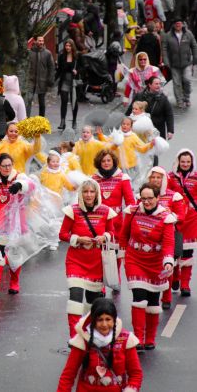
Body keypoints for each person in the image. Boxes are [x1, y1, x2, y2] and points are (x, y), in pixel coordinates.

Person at [120, 183, 175, 351]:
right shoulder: (133, 211)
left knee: (152, 301)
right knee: (139, 298)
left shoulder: (166, 217)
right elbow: (123, 234)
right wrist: (122, 254)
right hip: (134, 259)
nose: (147, 202)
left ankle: (150, 338)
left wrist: (168, 261)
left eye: (150, 198)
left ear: (158, 198)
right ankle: (138, 338)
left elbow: (168, 243)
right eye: (143, 199)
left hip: (155, 263)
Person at [59, 179, 116, 337]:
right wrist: (77, 239)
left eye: (92, 192)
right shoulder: (73, 211)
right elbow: (62, 234)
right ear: (80, 194)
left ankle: (89, 334)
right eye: (85, 192)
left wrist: (104, 237)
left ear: (97, 193)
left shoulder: (106, 211)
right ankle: (75, 337)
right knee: (75, 298)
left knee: (93, 302)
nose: (89, 195)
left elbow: (112, 232)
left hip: (96, 262)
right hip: (76, 261)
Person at [57, 298, 143, 392]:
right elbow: (68, 376)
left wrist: (131, 389)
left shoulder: (125, 340)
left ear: (114, 320)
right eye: (100, 320)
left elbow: (136, 374)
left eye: (108, 319)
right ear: (93, 320)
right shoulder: (83, 339)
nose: (104, 324)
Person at [0, 154, 35, 295]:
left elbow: (32, 186)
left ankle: (14, 283)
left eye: (9, 165)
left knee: (15, 252)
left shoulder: (19, 177)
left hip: (16, 222)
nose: (7, 168)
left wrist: (20, 185)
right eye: (4, 166)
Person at [92, 149, 135, 285]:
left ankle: (115, 278)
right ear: (99, 162)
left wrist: (131, 223)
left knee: (115, 252)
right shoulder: (94, 179)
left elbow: (130, 202)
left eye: (108, 160)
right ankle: (101, 284)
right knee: (99, 253)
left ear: (113, 162)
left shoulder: (123, 178)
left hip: (117, 223)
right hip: (98, 222)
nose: (106, 163)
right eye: (103, 161)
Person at [147, 166, 186, 309]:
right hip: (151, 237)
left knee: (168, 265)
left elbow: (181, 217)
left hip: (170, 235)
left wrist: (170, 215)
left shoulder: (173, 196)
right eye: (153, 177)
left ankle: (167, 297)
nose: (156, 180)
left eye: (159, 177)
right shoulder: (143, 196)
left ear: (164, 179)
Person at [168, 149, 197, 297]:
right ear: (178, 162)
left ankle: (185, 284)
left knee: (187, 252)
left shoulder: (196, 177)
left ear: (192, 162)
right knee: (174, 251)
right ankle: (175, 277)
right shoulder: (171, 177)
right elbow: (166, 193)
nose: (185, 164)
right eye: (182, 161)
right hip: (176, 219)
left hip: (191, 219)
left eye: (188, 162)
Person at [162, 17, 197, 108]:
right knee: (176, 83)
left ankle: (186, 97)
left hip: (186, 63)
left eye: (180, 23)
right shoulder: (168, 35)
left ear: (182, 24)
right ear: (173, 25)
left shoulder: (188, 34)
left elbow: (194, 45)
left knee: (187, 80)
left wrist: (195, 58)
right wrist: (166, 61)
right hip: (173, 64)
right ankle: (179, 100)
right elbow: (164, 48)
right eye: (176, 24)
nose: (178, 25)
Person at [27, 35, 55, 117]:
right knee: (28, 100)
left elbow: (51, 67)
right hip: (31, 81)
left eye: (42, 41)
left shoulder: (47, 53)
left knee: (42, 103)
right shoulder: (29, 52)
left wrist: (50, 80)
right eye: (39, 40)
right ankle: (26, 119)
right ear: (35, 41)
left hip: (42, 81)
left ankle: (41, 120)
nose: (41, 42)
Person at [55, 39, 79, 130]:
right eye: (66, 46)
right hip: (64, 81)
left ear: (72, 46)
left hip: (73, 83)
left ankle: (74, 121)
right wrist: (53, 79)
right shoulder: (61, 57)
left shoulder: (77, 57)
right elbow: (59, 70)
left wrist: (77, 72)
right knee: (64, 101)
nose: (67, 47)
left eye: (69, 46)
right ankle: (62, 121)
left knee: (74, 102)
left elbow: (82, 69)